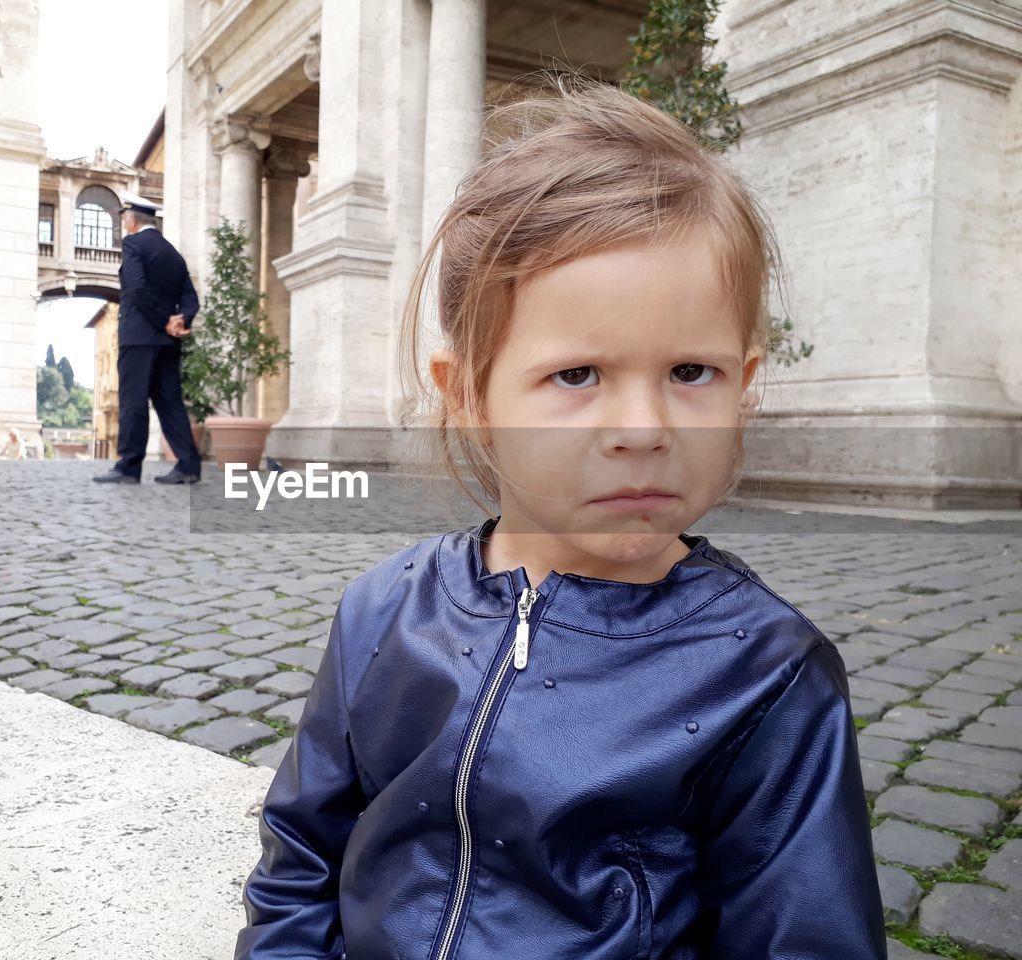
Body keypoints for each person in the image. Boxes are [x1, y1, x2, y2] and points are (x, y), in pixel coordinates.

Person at [233, 80, 885, 959]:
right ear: (466, 394)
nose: (644, 431)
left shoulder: (767, 677)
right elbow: (304, 855)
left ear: (747, 379)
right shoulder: (383, 614)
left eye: (692, 373)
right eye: (577, 376)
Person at [93, 192, 202, 485]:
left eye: (123, 217)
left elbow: (137, 289)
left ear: (131, 218)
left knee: (134, 401)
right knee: (170, 402)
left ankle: (129, 467)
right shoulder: (172, 252)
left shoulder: (133, 244)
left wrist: (163, 321)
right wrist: (182, 321)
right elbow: (191, 299)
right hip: (168, 343)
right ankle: (189, 465)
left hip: (139, 337)